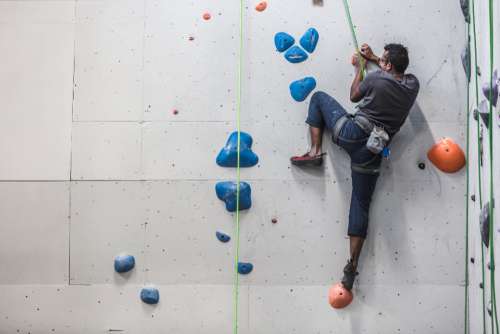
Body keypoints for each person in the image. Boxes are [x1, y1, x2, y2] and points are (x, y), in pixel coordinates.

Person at [290, 43, 420, 290]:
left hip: (352, 133)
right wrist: (373, 58)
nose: (379, 62)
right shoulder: (412, 84)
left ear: (387, 65)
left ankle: (315, 152)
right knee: (361, 203)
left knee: (318, 98)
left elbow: (354, 95)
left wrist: (359, 67)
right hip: (373, 151)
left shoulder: (374, 78)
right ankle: (352, 264)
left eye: (382, 60)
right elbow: (392, 76)